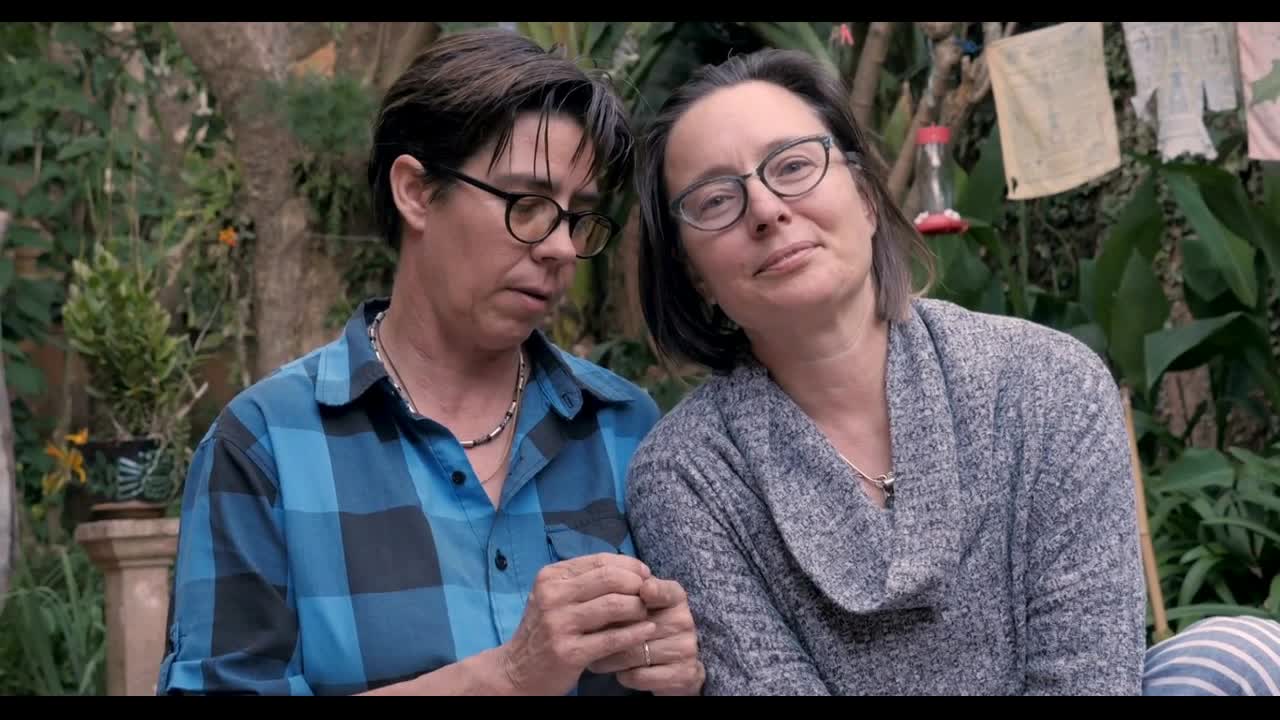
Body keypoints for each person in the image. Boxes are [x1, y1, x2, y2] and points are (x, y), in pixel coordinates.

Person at [624, 46, 1280, 695]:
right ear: (693, 274)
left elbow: (1087, 679)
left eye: (794, 166)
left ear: (866, 199)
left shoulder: (1045, 382)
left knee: (1235, 658)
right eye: (714, 201)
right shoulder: (688, 476)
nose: (766, 210)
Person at [157, 28, 703, 696]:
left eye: (577, 217)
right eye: (527, 205)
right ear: (416, 192)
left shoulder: (623, 429)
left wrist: (680, 661)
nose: (560, 245)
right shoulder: (267, 445)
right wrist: (505, 676)